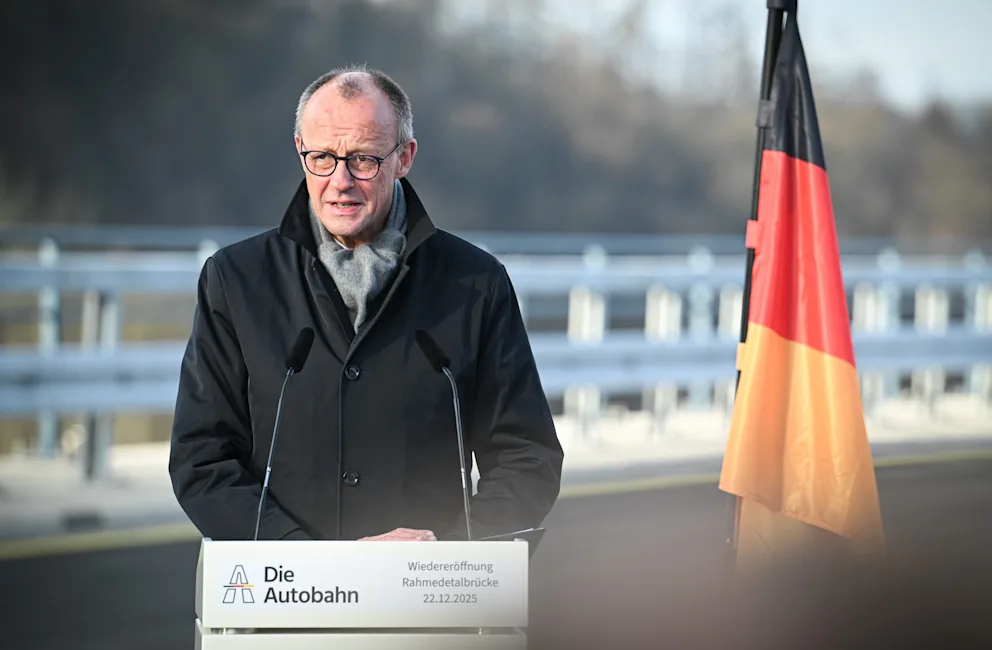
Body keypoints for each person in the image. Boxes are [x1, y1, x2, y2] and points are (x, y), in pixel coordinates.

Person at [168, 64, 563, 542]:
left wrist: (449, 555)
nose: (340, 180)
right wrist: (301, 556)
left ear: (404, 158)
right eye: (322, 157)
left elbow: (527, 457)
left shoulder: (476, 283)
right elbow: (202, 459)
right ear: (300, 150)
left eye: (363, 160)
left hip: (430, 584)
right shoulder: (236, 280)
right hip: (288, 584)